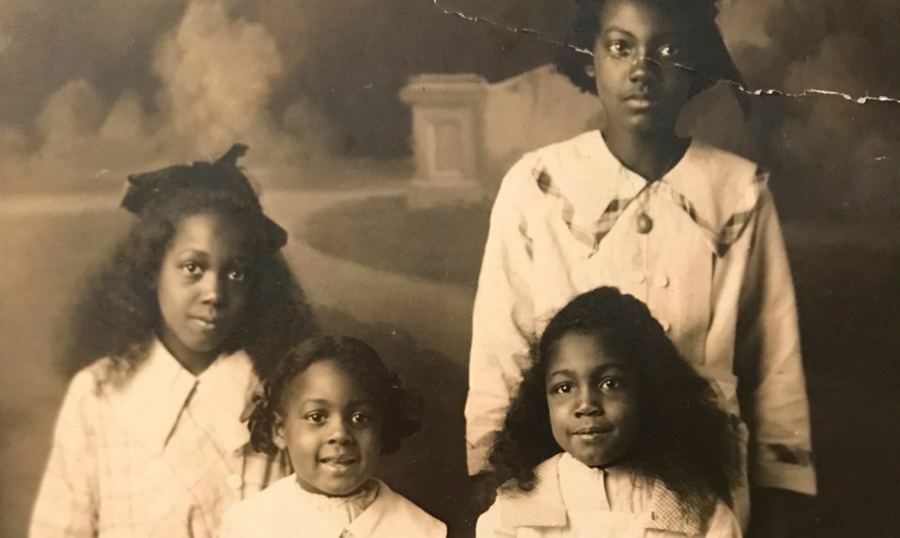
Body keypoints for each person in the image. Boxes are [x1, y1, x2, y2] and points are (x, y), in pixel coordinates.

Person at [464, 0, 816, 533]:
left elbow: (776, 365)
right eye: (620, 47)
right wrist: (493, 473)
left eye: (668, 50)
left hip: (701, 469)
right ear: (590, 57)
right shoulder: (537, 184)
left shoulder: (738, 191)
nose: (641, 71)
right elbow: (499, 350)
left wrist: (781, 492)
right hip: (562, 480)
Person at [30, 144, 317, 537]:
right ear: (152, 271)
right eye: (192, 268)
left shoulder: (279, 391)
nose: (214, 292)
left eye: (235, 273)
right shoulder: (98, 395)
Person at [476, 287, 742, 537]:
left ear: (647, 390)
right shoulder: (512, 514)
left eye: (609, 384)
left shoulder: (699, 515)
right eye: (564, 387)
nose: (586, 405)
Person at [218, 335, 446, 538]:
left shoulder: (421, 531)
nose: (340, 434)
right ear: (280, 429)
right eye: (316, 417)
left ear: (383, 428)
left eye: (360, 418)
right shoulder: (248, 526)